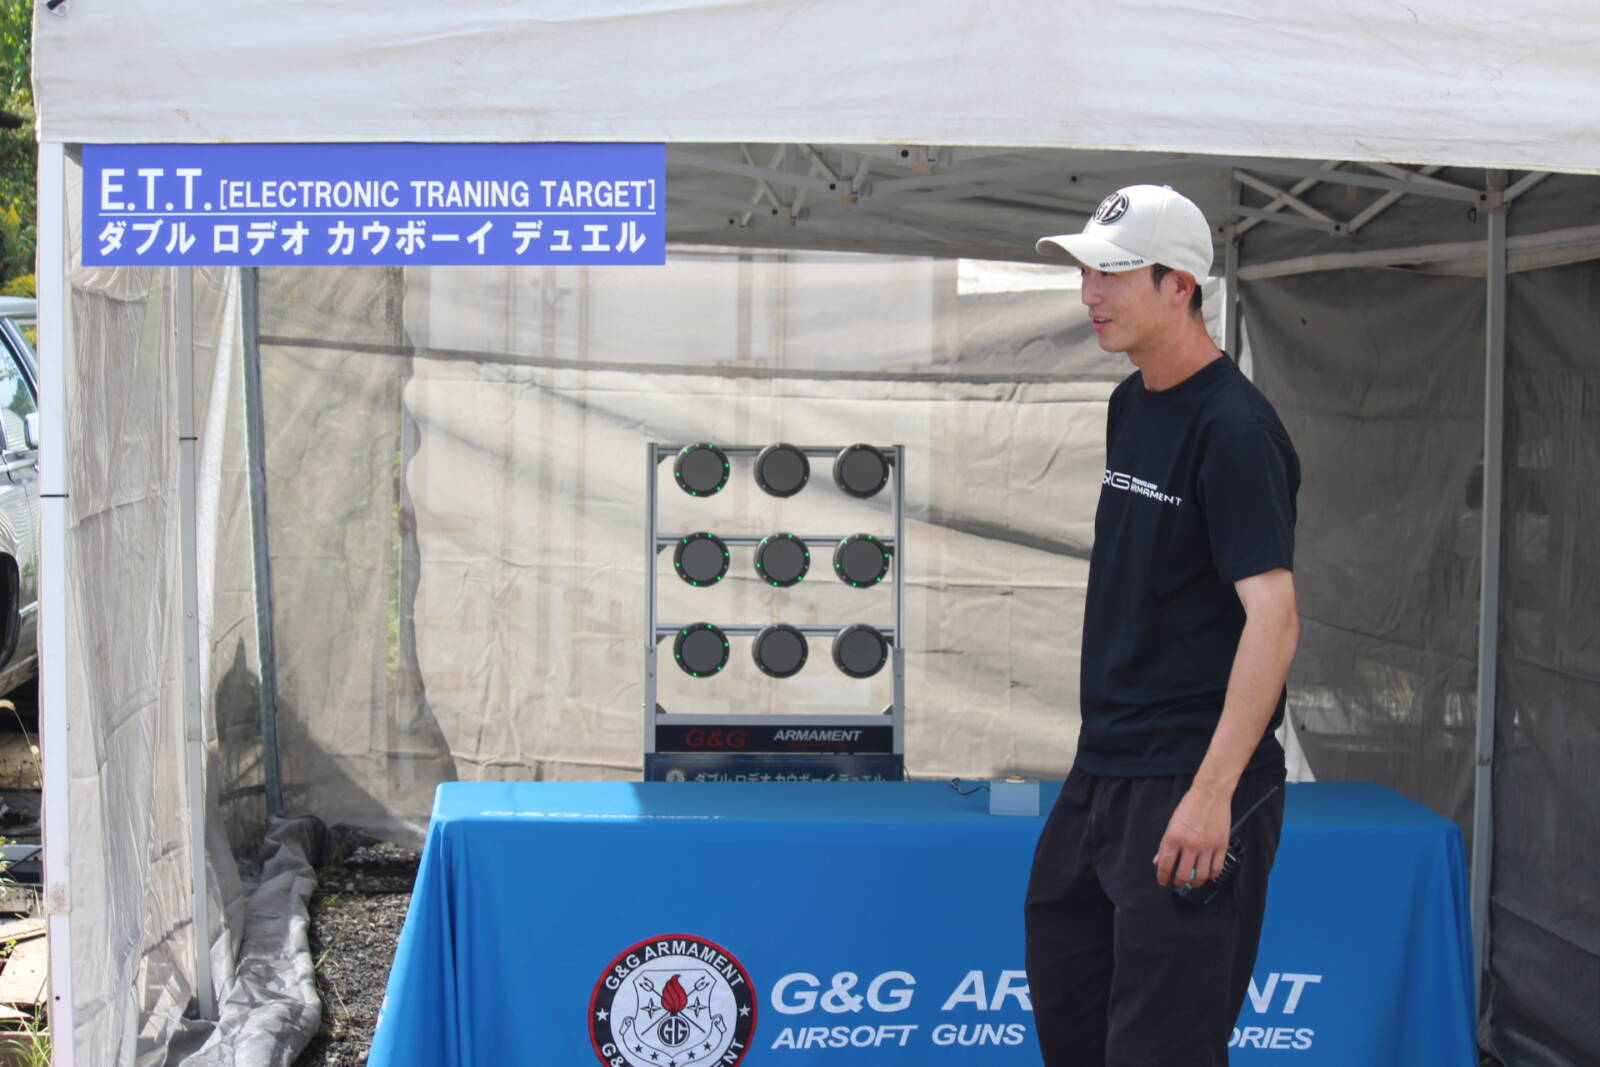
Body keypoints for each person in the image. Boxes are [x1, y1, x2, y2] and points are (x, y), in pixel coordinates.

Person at [1024, 184, 1301, 1067]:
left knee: (1164, 1049)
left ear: (1179, 285)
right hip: (1103, 767)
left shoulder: (1237, 431)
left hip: (1191, 776)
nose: (1088, 294)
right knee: (1072, 1020)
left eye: (1110, 274)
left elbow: (1275, 620)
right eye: (1085, 272)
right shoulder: (1131, 402)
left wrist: (1213, 793)